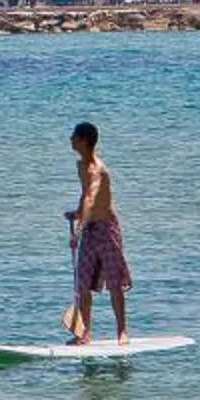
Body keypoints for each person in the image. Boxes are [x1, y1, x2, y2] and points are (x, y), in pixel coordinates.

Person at [64, 121, 131, 346]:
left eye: (73, 136)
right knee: (82, 284)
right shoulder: (80, 166)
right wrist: (78, 214)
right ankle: (85, 334)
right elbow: (85, 197)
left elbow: (92, 198)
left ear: (83, 140)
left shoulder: (97, 169)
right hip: (90, 229)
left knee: (114, 282)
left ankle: (122, 331)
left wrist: (78, 230)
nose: (70, 139)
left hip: (106, 229)